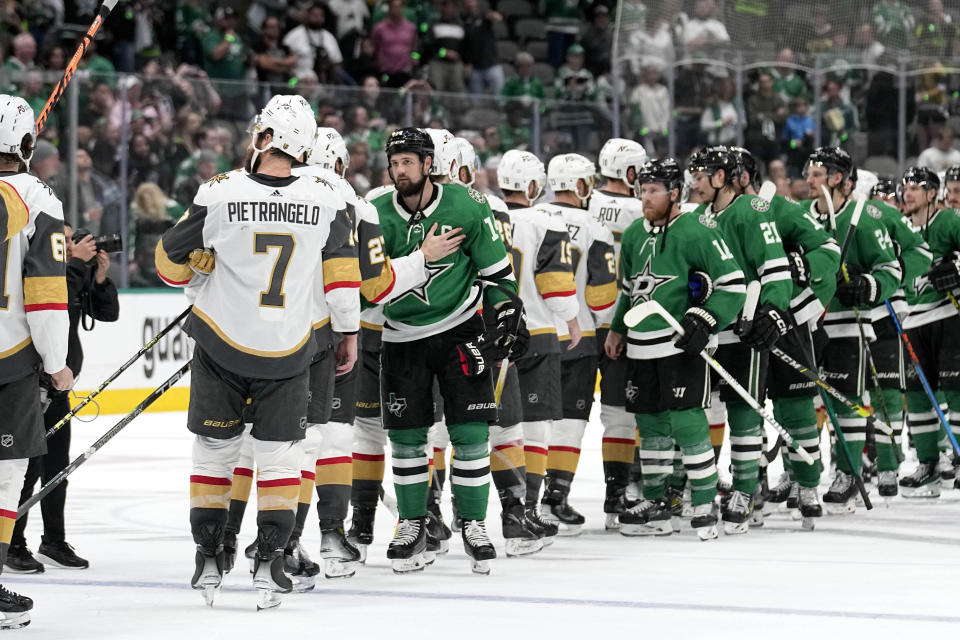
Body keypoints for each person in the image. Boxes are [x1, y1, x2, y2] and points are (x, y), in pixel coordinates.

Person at [155, 94, 342, 609]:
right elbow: (341, 281)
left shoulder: (218, 192)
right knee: (281, 457)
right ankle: (270, 560)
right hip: (289, 349)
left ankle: (209, 555)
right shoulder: (327, 197)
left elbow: (168, 263)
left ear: (263, 138)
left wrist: (198, 267)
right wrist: (345, 331)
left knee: (215, 454)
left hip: (221, 345)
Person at [369, 127, 521, 574]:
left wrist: (509, 313)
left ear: (428, 164)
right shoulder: (375, 212)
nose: (400, 171)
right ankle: (413, 523)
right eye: (395, 163)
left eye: (409, 162)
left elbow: (497, 275)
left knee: (471, 432)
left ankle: (473, 523)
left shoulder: (467, 206)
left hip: (460, 330)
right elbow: (366, 283)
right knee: (407, 438)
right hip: (399, 337)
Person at [605, 158, 744, 539]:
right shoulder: (634, 234)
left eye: (653, 191)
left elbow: (733, 284)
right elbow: (630, 289)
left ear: (674, 192)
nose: (645, 198)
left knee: (687, 421)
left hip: (679, 345)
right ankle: (658, 502)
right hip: (641, 347)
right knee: (649, 426)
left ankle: (703, 501)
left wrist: (706, 319)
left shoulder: (698, 230)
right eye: (642, 190)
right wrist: (618, 329)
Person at [687, 146, 793, 534]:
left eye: (701, 176)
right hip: (708, 328)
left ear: (722, 177)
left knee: (745, 411)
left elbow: (776, 268)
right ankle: (700, 485)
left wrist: (774, 312)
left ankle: (746, 490)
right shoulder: (696, 216)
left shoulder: (752, 210)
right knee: (700, 408)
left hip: (744, 328)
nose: (694, 183)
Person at [731, 148, 839, 525]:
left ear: (742, 178)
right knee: (746, 409)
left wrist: (804, 265)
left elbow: (827, 249)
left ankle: (807, 482)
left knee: (795, 407)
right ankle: (750, 486)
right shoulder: (711, 216)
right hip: (740, 326)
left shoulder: (778, 209)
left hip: (786, 321)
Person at [8, 223, 119, 573]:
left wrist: (98, 277)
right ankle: (12, 542)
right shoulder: (40, 274)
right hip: (31, 384)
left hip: (59, 387)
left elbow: (107, 312)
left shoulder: (71, 272)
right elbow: (50, 302)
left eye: (71, 240)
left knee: (58, 468)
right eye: (66, 240)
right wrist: (74, 265)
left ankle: (53, 540)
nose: (71, 245)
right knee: (27, 468)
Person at [0, 95, 73, 629]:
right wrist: (56, 360)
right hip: (8, 360)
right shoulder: (37, 198)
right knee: (5, 476)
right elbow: (47, 293)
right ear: (27, 145)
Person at [801, 147, 902, 513]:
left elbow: (892, 269)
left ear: (839, 178)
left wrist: (868, 286)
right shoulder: (801, 217)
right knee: (806, 401)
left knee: (847, 402)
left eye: (817, 174)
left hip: (848, 324)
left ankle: (848, 471)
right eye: (808, 172)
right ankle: (804, 473)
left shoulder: (865, 219)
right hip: (808, 323)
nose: (808, 180)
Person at [488, 148, 578, 552]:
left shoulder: (488, 214)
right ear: (531, 186)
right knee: (536, 427)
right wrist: (572, 319)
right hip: (538, 333)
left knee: (498, 428)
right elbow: (556, 285)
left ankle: (459, 508)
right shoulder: (545, 219)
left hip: (494, 333)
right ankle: (526, 512)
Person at [537, 153, 617, 534]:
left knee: (530, 423)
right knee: (570, 420)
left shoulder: (528, 220)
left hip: (533, 337)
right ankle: (555, 497)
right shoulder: (593, 227)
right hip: (578, 338)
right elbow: (602, 297)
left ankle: (519, 499)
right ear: (582, 186)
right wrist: (610, 326)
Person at [589, 138, 647, 529]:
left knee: (565, 421)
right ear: (631, 173)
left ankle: (552, 496)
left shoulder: (585, 203)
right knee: (623, 414)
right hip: (623, 320)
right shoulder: (642, 211)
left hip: (575, 322)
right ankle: (623, 492)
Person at [897, 166, 959, 496]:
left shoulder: (949, 221)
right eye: (905, 187)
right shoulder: (901, 229)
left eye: (916, 187)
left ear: (932, 193)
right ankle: (928, 466)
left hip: (948, 314)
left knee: (956, 389)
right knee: (918, 396)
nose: (908, 193)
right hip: (911, 321)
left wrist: (957, 266)